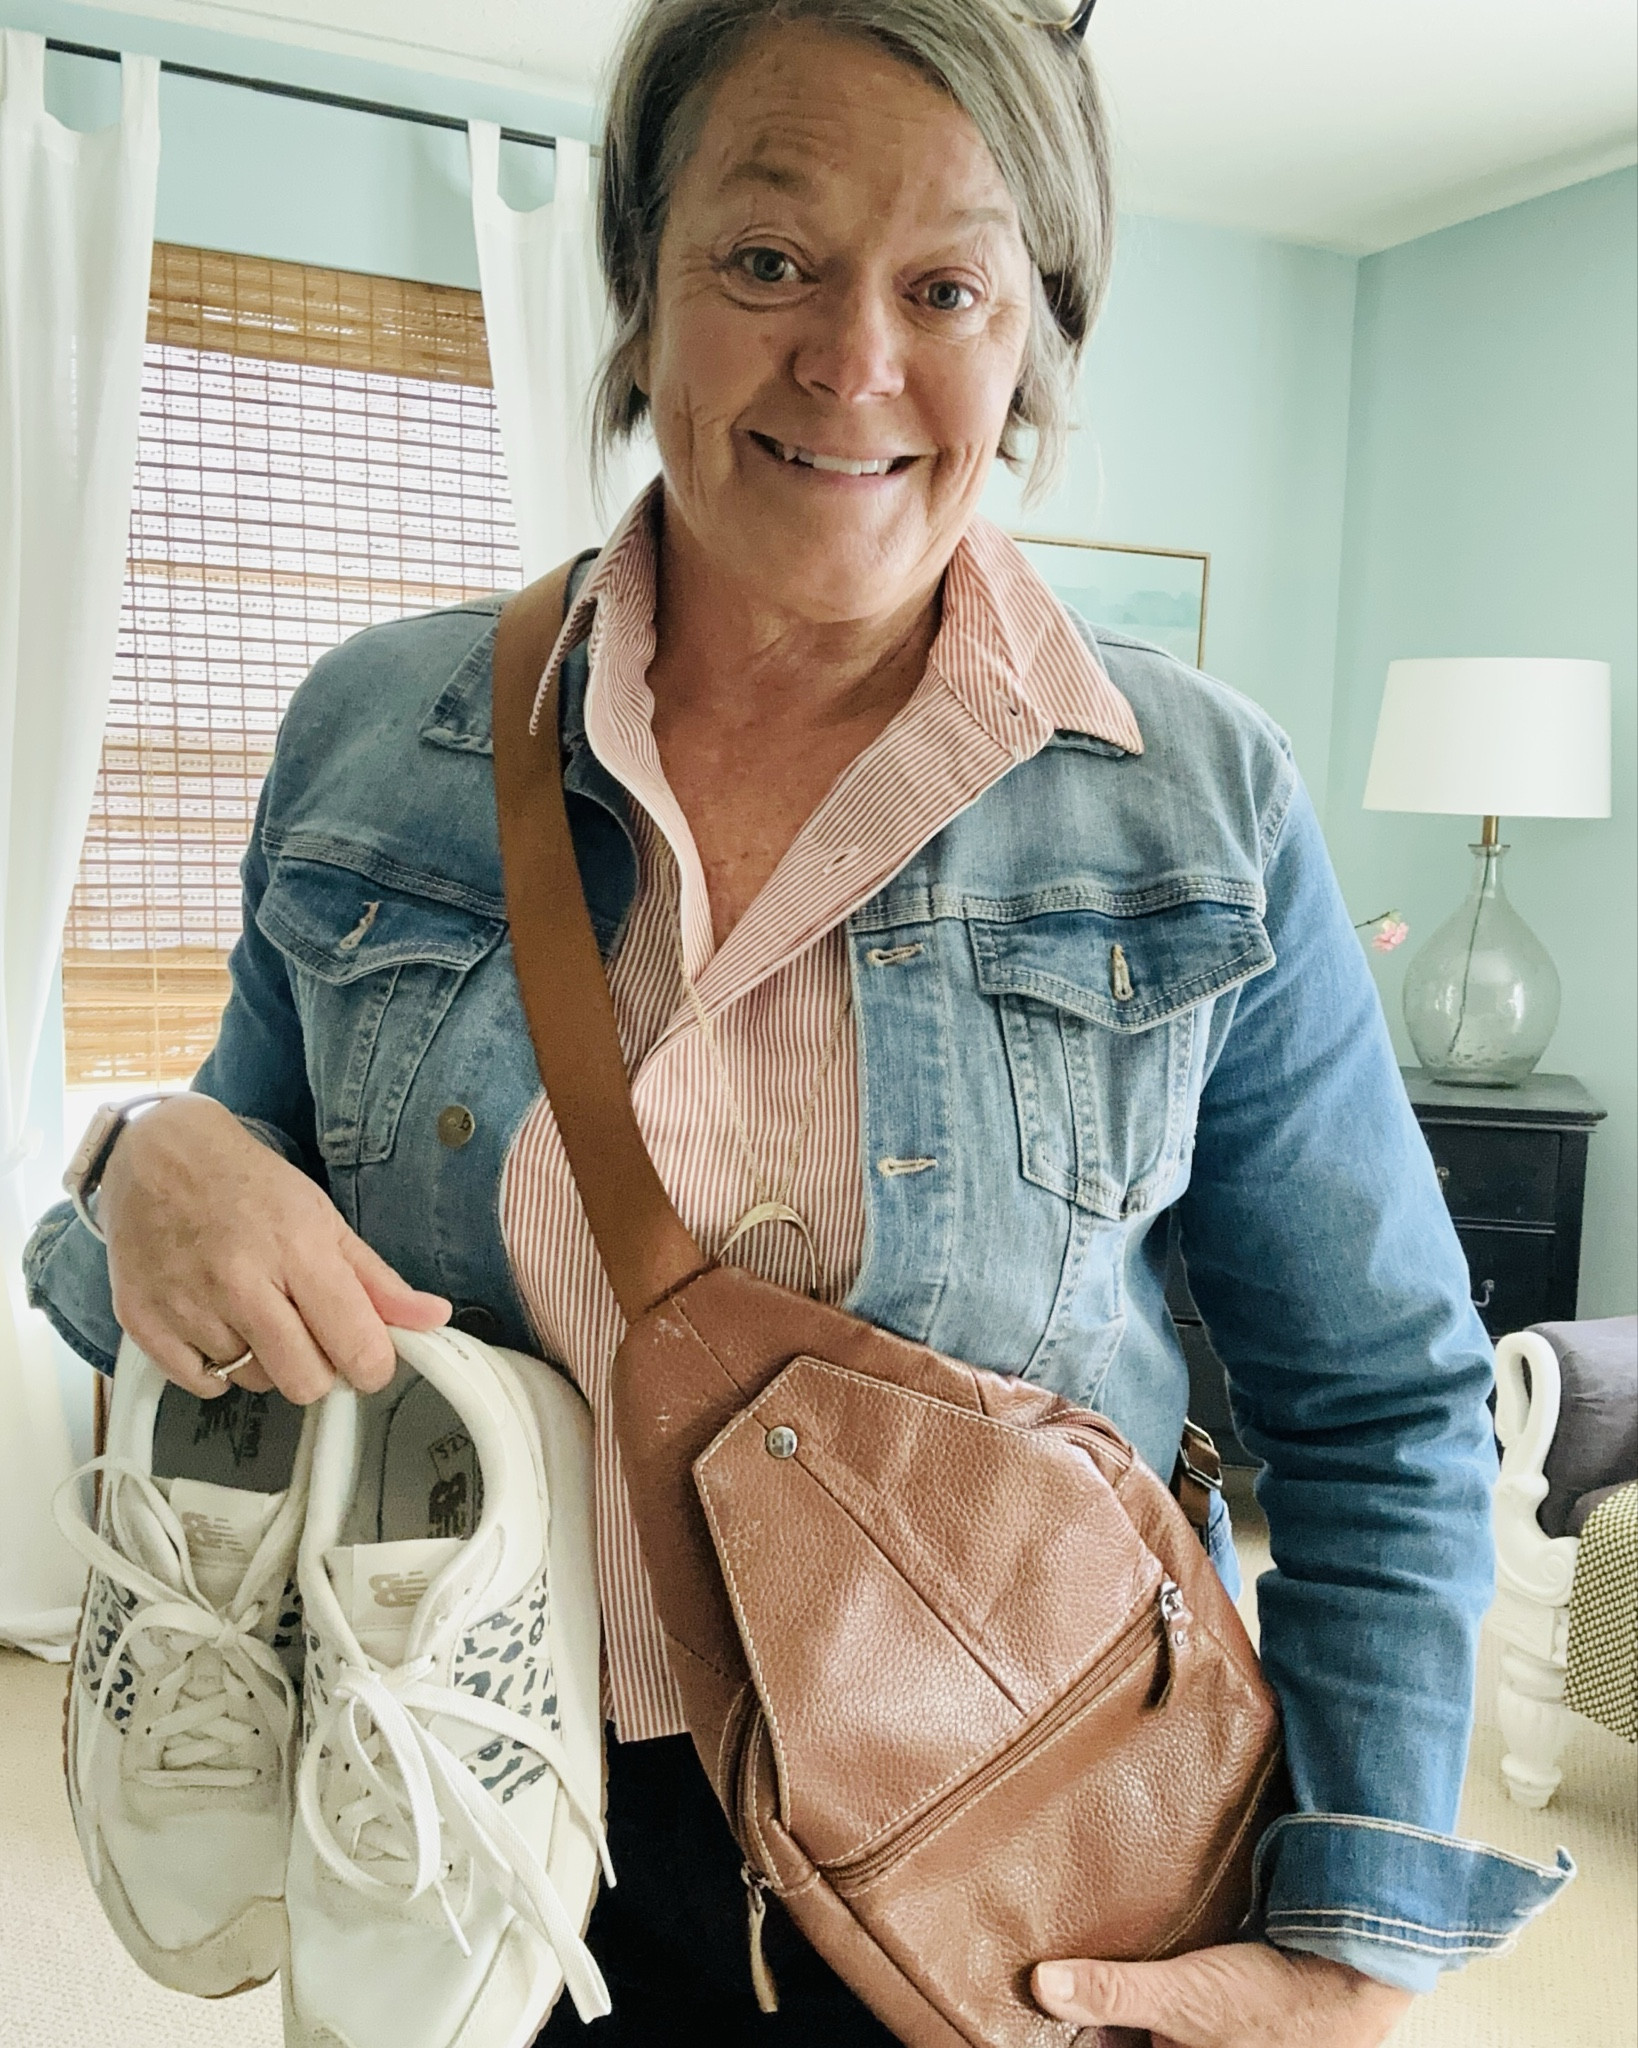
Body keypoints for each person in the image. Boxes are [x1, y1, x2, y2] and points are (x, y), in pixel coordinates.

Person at [26, 2, 1569, 2043]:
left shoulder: (1208, 805)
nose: (852, 361)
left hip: (1013, 1887)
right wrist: (135, 1169)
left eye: (946, 283)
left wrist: (1355, 1945)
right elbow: (196, 1261)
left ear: (1032, 339)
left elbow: (1379, 1406)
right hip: (474, 1862)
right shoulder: (375, 747)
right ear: (640, 283)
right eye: (767, 259)